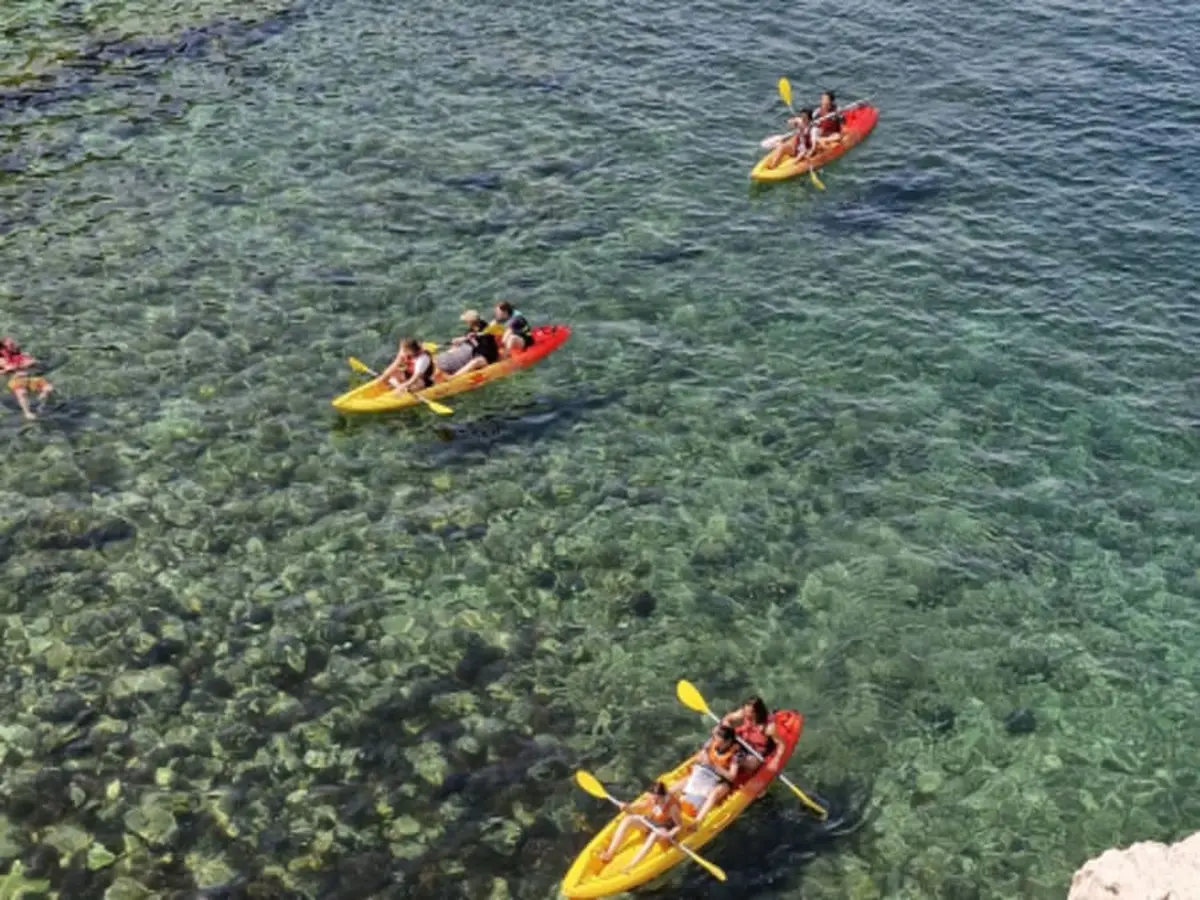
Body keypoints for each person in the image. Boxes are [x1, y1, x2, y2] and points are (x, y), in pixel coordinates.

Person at [596, 780, 683, 872]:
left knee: (654, 834)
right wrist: (627, 807)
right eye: (652, 798)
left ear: (662, 796)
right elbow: (641, 805)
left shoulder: (672, 807)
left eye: (655, 799)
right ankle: (609, 853)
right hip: (652, 823)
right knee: (628, 819)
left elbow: (679, 826)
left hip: (665, 828)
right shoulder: (653, 797)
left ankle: (631, 865)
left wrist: (669, 834)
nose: (653, 801)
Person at [669, 725, 741, 825]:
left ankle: (697, 821)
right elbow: (700, 756)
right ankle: (663, 797)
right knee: (687, 780)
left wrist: (714, 766)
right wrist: (703, 757)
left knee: (714, 793)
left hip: (722, 780)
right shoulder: (712, 742)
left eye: (720, 743)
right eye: (716, 740)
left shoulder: (736, 754)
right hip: (705, 772)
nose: (717, 745)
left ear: (728, 742)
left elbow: (732, 777)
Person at [717, 696, 778, 782]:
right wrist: (724, 727)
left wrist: (776, 761)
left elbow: (781, 745)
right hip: (742, 743)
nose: (746, 714)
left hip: (755, 753)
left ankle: (742, 778)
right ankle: (719, 762)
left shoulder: (768, 727)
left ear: (757, 713)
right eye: (745, 710)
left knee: (740, 760)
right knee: (720, 737)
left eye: (749, 712)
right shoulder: (743, 713)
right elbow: (727, 719)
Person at [435, 311, 501, 378]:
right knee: (456, 346)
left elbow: (484, 342)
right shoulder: (472, 329)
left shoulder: (485, 329)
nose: (466, 322)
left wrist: (471, 338)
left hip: (489, 357)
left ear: (470, 322)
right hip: (477, 353)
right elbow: (467, 337)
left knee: (475, 362)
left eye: (466, 321)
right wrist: (459, 341)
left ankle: (454, 377)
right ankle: (446, 361)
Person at [1, 337, 53, 421]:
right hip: (17, 379)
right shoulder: (2, 359)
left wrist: (34, 362)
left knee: (49, 389)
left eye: (14, 343)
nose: (14, 345)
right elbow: (7, 368)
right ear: (5, 348)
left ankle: (40, 408)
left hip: (31, 377)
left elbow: (36, 363)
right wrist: (22, 365)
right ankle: (27, 413)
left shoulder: (24, 355)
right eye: (11, 345)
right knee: (22, 392)